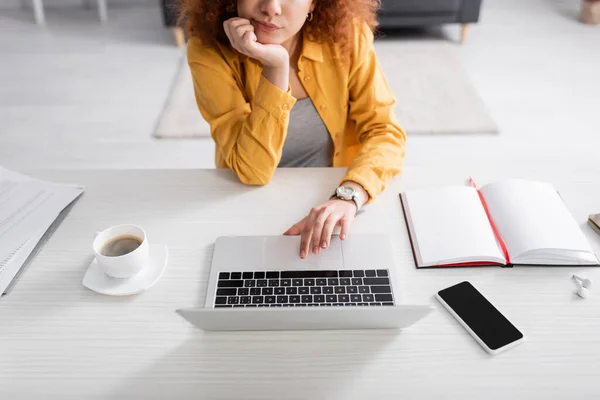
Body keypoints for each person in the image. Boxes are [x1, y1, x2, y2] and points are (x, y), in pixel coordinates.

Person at [179, 0, 406, 258]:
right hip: (244, 198)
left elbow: (385, 131)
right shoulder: (208, 51)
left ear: (313, 4)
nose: (271, 7)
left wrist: (349, 195)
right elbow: (253, 172)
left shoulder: (348, 34)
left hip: (332, 193)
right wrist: (275, 67)